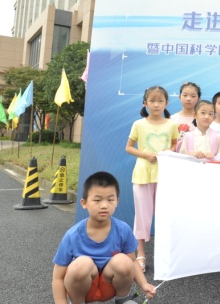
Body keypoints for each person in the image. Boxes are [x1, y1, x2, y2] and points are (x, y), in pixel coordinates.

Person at [52, 172, 156, 304]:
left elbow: (133, 261)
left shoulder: (123, 230)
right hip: (84, 290)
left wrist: (144, 284)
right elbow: (58, 277)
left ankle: (123, 300)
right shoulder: (73, 235)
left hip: (109, 286)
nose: (104, 205)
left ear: (117, 201)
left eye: (110, 199)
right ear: (84, 203)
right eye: (97, 200)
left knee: (124, 261)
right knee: (82, 264)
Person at [125, 86, 178, 273]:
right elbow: (129, 147)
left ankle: (166, 255)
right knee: (142, 216)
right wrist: (145, 154)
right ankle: (140, 253)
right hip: (143, 174)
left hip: (165, 174)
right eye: (152, 101)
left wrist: (167, 152)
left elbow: (175, 144)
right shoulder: (138, 124)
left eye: (160, 101)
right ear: (145, 103)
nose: (156, 105)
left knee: (165, 215)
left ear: (166, 103)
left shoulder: (171, 125)